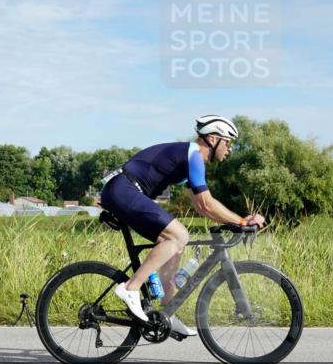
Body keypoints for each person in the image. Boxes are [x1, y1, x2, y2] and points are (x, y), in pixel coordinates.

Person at [99, 115, 265, 337]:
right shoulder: (193, 156)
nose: (230, 149)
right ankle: (130, 288)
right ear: (213, 139)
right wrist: (242, 221)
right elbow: (207, 204)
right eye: (227, 142)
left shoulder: (189, 160)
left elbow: (201, 206)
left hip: (123, 191)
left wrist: (235, 221)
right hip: (124, 190)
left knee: (175, 247)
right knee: (179, 235)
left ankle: (167, 311)